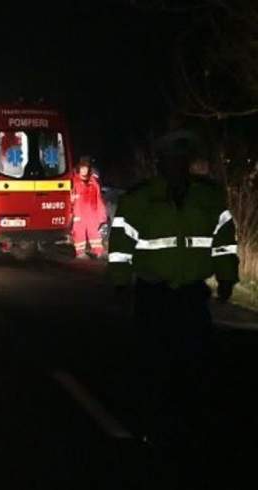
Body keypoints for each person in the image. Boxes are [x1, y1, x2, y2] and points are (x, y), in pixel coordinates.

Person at [107, 130, 239, 445]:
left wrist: (226, 278)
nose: (177, 165)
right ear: (160, 163)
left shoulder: (208, 198)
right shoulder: (139, 199)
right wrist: (121, 283)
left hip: (192, 294)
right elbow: (121, 246)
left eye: (182, 159)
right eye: (171, 160)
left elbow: (224, 242)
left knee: (196, 362)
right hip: (154, 294)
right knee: (153, 362)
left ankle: (192, 423)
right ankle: (151, 424)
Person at [71, 156, 108, 258]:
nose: (84, 170)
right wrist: (72, 211)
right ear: (78, 169)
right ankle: (80, 253)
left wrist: (101, 213)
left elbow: (98, 198)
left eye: (86, 168)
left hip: (92, 212)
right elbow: (69, 197)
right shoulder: (74, 182)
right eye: (82, 168)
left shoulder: (93, 182)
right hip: (79, 212)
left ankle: (98, 251)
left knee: (95, 233)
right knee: (79, 233)